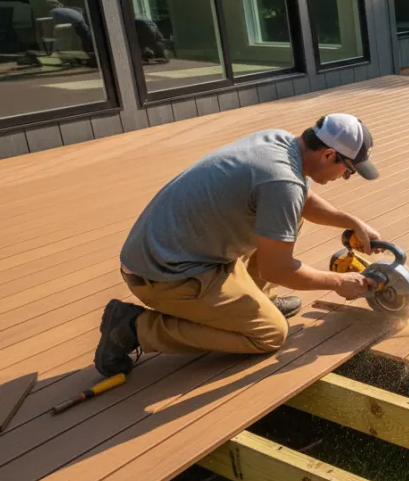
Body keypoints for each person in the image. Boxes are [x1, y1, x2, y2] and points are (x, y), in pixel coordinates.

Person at [95, 114, 384, 377]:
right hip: (165, 275)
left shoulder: (281, 141)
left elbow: (301, 200)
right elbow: (278, 269)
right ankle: (132, 328)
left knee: (290, 214)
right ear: (328, 154)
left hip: (174, 251)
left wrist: (351, 221)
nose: (345, 177)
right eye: (348, 170)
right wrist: (337, 282)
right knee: (270, 334)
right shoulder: (281, 182)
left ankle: (260, 300)